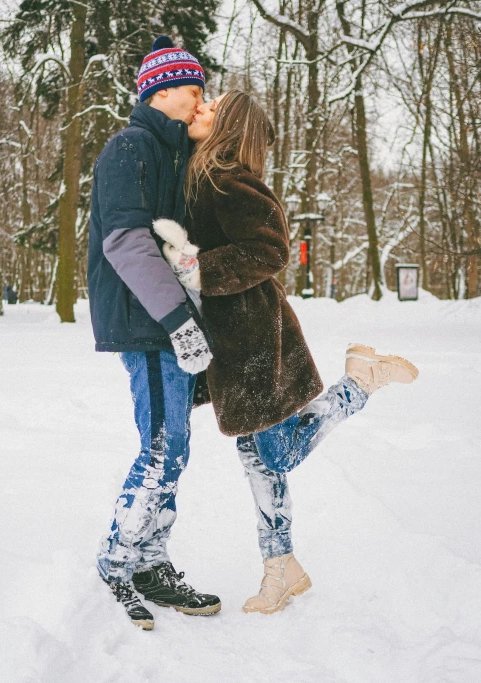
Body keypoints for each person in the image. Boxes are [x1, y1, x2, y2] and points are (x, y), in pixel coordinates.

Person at [154, 89, 418, 616]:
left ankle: (359, 384)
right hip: (233, 343)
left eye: (211, 107)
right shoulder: (201, 173)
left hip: (252, 340)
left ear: (229, 126)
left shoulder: (230, 180)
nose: (198, 110)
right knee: (259, 459)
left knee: (274, 455)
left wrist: (198, 269)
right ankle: (282, 570)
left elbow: (270, 249)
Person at [87, 36, 220, 631]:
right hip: (147, 324)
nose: (200, 102)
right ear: (163, 91)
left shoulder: (172, 156)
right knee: (162, 448)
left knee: (175, 449)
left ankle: (149, 560)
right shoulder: (129, 147)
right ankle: (119, 560)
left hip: (168, 324)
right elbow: (126, 243)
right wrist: (178, 321)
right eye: (195, 91)